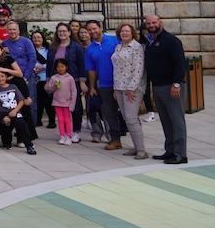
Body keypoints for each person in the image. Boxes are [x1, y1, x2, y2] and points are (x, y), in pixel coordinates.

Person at [142, 14, 188, 164]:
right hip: (157, 86)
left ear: (160, 22)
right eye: (148, 23)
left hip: (171, 86)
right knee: (166, 121)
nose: (151, 25)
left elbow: (180, 63)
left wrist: (176, 83)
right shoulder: (151, 41)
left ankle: (180, 154)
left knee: (176, 120)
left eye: (154, 22)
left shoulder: (171, 40)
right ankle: (170, 150)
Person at [109, 24, 148, 159]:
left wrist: (132, 88)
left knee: (131, 118)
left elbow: (139, 69)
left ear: (132, 33)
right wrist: (115, 87)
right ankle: (136, 146)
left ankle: (142, 150)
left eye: (127, 31)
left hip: (132, 88)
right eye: (122, 31)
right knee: (127, 118)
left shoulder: (137, 47)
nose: (124, 33)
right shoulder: (118, 47)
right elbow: (116, 69)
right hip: (119, 87)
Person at [85, 20, 122, 148]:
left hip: (121, 83)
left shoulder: (115, 40)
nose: (92, 31)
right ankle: (115, 140)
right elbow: (91, 70)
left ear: (100, 28)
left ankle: (137, 143)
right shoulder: (90, 49)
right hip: (105, 85)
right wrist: (92, 87)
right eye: (89, 30)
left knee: (128, 114)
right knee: (109, 113)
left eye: (94, 28)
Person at [49, 22, 87, 142]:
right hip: (58, 83)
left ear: (69, 32)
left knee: (75, 107)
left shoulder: (76, 47)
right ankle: (63, 133)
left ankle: (76, 131)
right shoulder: (53, 47)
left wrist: (82, 81)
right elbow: (50, 65)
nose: (62, 33)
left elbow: (82, 65)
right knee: (60, 107)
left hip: (73, 80)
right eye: (60, 31)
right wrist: (48, 80)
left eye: (64, 31)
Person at [45, 59, 77, 146]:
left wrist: (72, 104)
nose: (60, 68)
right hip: (57, 102)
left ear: (66, 67)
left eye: (62, 66)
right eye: (58, 67)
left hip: (67, 103)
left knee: (67, 120)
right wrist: (54, 86)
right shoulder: (54, 78)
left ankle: (69, 136)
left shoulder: (70, 78)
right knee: (60, 120)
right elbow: (49, 90)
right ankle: (62, 135)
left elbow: (74, 92)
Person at [31, 30, 52, 128]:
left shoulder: (48, 50)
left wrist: (42, 67)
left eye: (39, 37)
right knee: (37, 101)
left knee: (48, 101)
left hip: (45, 78)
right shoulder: (30, 49)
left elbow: (52, 63)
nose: (36, 39)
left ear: (43, 38)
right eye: (34, 37)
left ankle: (52, 121)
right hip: (34, 79)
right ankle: (37, 120)